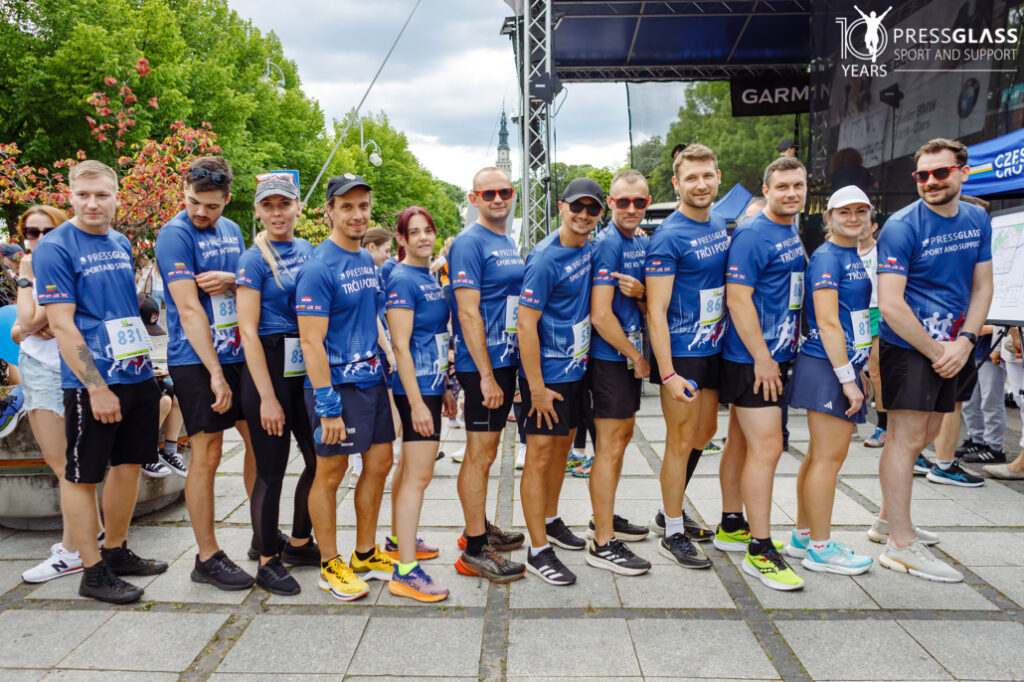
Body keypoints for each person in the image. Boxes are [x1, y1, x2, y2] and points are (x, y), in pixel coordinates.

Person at [32, 160, 167, 603]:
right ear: (70, 196)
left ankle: (116, 550)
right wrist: (96, 386)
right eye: (84, 195)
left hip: (135, 371)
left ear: (115, 197)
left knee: (129, 463)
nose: (93, 203)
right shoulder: (55, 247)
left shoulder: (121, 241)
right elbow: (62, 324)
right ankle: (91, 570)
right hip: (92, 380)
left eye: (102, 195)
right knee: (82, 474)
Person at [875, 138, 993, 582]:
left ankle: (888, 520)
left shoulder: (977, 218)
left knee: (926, 433)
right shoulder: (901, 226)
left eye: (940, 172)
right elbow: (890, 304)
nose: (930, 182)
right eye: (921, 175)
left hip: (954, 344)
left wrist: (965, 341)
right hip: (910, 346)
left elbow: (982, 287)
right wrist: (938, 351)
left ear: (963, 172)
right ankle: (900, 544)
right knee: (904, 439)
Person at [155, 156, 256, 591]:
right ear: (185, 192)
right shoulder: (174, 234)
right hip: (195, 358)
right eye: (194, 202)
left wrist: (232, 278)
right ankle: (207, 555)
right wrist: (214, 371)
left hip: (238, 352)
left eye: (212, 206)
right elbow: (188, 308)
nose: (200, 212)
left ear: (227, 199)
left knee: (260, 442)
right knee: (208, 453)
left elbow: (248, 283)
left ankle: (264, 533)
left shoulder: (232, 230)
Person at [296, 173, 396, 602]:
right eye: (347, 206)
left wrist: (388, 358)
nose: (357, 214)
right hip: (336, 387)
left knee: (380, 463)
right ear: (330, 211)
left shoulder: (365, 260)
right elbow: (310, 341)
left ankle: (364, 553)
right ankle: (329, 564)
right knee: (331, 473)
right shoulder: (319, 267)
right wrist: (328, 406)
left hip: (371, 380)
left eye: (363, 206)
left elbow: (370, 317)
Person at [719, 155, 808, 591]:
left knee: (741, 441)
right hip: (754, 360)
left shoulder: (788, 228)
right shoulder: (754, 234)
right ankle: (760, 548)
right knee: (768, 448)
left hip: (771, 354)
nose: (791, 193)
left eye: (798, 185)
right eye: (783, 186)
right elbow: (738, 299)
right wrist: (763, 357)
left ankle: (732, 524)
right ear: (767, 190)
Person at [645, 144, 731, 571]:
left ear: (718, 177)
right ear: (676, 183)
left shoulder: (719, 221)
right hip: (683, 353)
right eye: (691, 178)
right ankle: (673, 531)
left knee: (706, 431)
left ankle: (670, 509)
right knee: (679, 442)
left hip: (714, 345)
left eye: (707, 175)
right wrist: (667, 374)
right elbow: (655, 310)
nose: (700, 184)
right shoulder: (668, 236)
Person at [236, 172, 321, 596]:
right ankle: (267, 559)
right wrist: (267, 398)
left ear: (297, 207)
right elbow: (247, 332)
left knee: (319, 459)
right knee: (271, 470)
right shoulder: (253, 259)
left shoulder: (307, 250)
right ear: (258, 210)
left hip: (302, 366)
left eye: (284, 204)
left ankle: (300, 542)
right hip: (267, 367)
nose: (277, 213)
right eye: (268, 205)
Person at [783, 186, 875, 576]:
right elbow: (827, 322)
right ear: (829, 216)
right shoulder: (827, 257)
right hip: (827, 367)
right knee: (828, 459)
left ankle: (803, 537)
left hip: (838, 365)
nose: (853, 218)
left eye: (860, 211)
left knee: (818, 457)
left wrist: (859, 368)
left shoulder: (849, 254)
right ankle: (821, 548)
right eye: (844, 212)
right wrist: (848, 379)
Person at [517, 177, 598, 586]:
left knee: (563, 450)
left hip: (576, 370)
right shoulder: (545, 258)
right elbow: (525, 324)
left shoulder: (589, 247)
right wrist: (535, 387)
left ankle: (549, 520)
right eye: (577, 207)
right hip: (546, 375)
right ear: (562, 207)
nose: (583, 214)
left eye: (592, 208)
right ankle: (537, 550)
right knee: (539, 457)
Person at [449, 167, 526, 584]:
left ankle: (476, 527)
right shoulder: (469, 242)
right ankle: (475, 550)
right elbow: (467, 313)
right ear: (474, 198)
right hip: (483, 364)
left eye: (505, 192)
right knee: (479, 454)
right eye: (489, 193)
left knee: (489, 451)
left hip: (504, 359)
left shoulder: (505, 239)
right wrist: (484, 376)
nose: (498, 199)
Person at [384, 206, 456, 602]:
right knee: (419, 477)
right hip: (415, 389)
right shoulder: (402, 278)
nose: (424, 237)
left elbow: (432, 339)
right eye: (414, 232)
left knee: (407, 470)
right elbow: (401, 346)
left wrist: (442, 389)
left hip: (430, 384)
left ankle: (399, 541)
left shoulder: (427, 275)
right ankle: (406, 572)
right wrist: (417, 404)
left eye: (428, 230)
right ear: (401, 239)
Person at [583, 169, 652, 576]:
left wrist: (642, 294)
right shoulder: (609, 243)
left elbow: (642, 302)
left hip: (625, 356)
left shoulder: (639, 240)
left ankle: (603, 518)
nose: (630, 208)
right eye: (622, 201)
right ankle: (603, 542)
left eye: (638, 202)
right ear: (610, 203)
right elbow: (600, 315)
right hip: (610, 358)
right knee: (610, 446)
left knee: (621, 440)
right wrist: (636, 356)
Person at [13, 205, 87, 583]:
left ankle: (73, 551)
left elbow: (30, 320)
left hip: (68, 368)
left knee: (67, 466)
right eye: (31, 232)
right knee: (65, 464)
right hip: (39, 367)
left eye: (47, 231)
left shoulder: (52, 268)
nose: (39, 238)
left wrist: (25, 280)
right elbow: (19, 330)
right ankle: (86, 537)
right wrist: (29, 324)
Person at [859, 214, 886, 447]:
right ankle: (849, 419)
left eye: (865, 221)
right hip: (854, 313)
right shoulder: (847, 251)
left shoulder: (881, 251)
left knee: (876, 372)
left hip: (877, 312)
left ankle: (883, 426)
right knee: (851, 368)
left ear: (874, 226)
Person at [984, 329, 1024, 479]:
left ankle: (1021, 464)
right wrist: (997, 346)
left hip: (1015, 339)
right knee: (1021, 401)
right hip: (1011, 344)